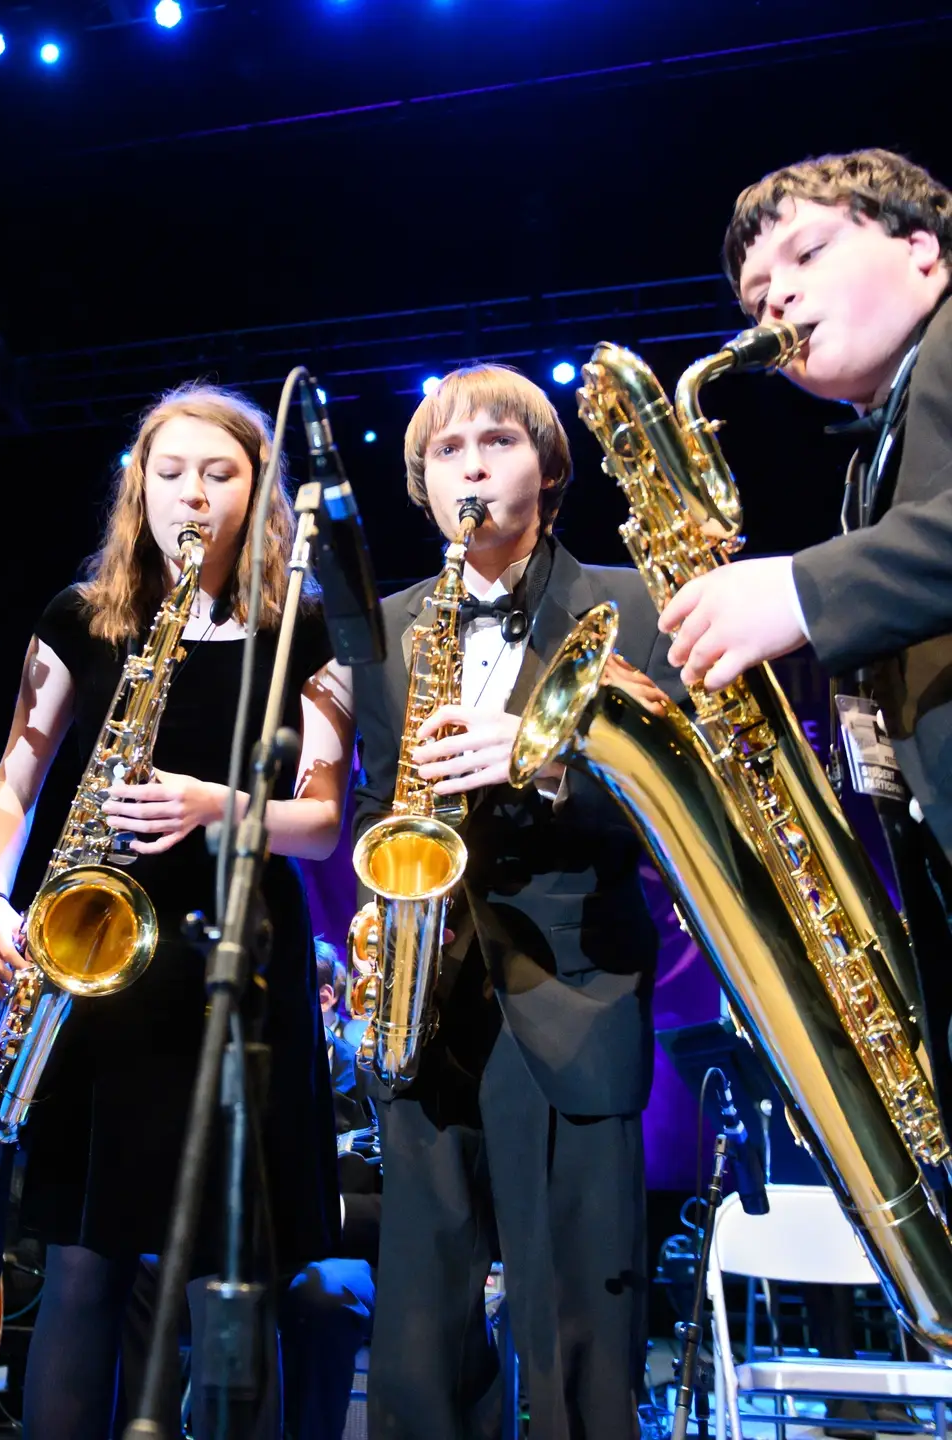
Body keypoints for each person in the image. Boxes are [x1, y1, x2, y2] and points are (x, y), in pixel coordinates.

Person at [0, 382, 354, 1438]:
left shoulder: (304, 630)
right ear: (137, 489)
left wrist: (213, 805)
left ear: (260, 493)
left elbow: (322, 821)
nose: (192, 494)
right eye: (170, 472)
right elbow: (14, 780)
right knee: (84, 1264)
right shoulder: (76, 618)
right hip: (96, 952)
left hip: (240, 962)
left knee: (233, 1270)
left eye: (219, 473)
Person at [352, 365, 678, 1440]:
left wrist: (547, 762)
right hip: (426, 995)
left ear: (549, 467)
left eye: (497, 443)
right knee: (418, 1336)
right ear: (420, 485)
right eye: (447, 452)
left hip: (574, 983)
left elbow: (685, 806)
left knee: (580, 1331)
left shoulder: (632, 603)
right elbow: (374, 801)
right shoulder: (388, 626)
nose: (473, 467)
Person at [658, 148, 952, 1108]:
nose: (773, 303)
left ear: (923, 251)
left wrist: (802, 590)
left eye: (808, 254)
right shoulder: (876, 443)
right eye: (752, 301)